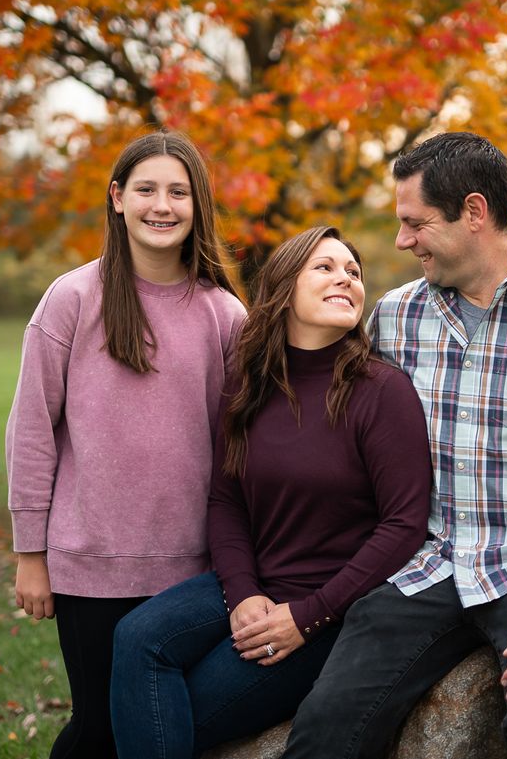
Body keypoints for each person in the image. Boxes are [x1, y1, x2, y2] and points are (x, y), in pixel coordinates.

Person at [281, 133, 507, 759]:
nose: (401, 241)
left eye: (414, 223)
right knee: (325, 727)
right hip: (424, 564)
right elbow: (341, 438)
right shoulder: (395, 319)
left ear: (474, 213)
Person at [109, 225, 433, 758]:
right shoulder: (249, 383)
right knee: (136, 638)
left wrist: (309, 616)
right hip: (252, 581)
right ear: (284, 286)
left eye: (353, 272)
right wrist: (242, 593)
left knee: (175, 711)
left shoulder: (381, 390)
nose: (345, 279)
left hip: (327, 605)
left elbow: (403, 526)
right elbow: (226, 500)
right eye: (325, 268)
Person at [4, 130, 246, 759]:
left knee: (160, 724)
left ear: (198, 207)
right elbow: (31, 429)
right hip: (89, 564)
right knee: (100, 729)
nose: (161, 206)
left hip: (193, 567)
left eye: (178, 192)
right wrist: (31, 552)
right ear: (117, 198)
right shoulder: (72, 298)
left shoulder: (223, 313)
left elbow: (241, 442)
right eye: (145, 190)